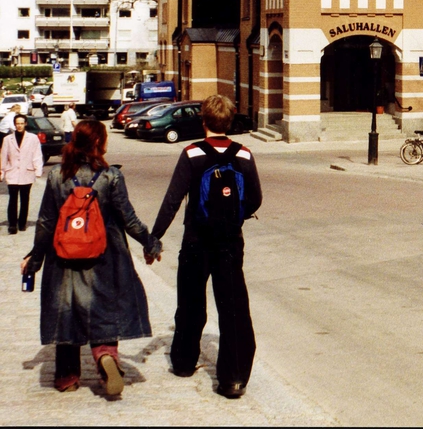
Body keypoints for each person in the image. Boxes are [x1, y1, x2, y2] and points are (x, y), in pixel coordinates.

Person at [20, 120, 160, 395]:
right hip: (106, 256)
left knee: (67, 311)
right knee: (103, 307)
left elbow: (46, 222)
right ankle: (105, 355)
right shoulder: (111, 176)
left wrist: (34, 260)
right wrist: (150, 242)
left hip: (65, 256)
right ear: (98, 143)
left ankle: (67, 376)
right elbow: (128, 219)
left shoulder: (57, 176)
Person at [148, 94, 262, 399]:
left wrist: (154, 237)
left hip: (196, 240)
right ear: (229, 121)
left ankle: (184, 362)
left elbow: (173, 200)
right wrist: (235, 217)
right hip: (229, 243)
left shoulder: (192, 153)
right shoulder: (245, 155)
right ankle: (233, 378)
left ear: (204, 121)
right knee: (234, 307)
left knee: (191, 303)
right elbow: (255, 198)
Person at [3, 114, 44, 234]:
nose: (19, 125)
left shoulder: (33, 138)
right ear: (14, 124)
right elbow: (4, 156)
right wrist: (2, 172)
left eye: (22, 123)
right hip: (12, 173)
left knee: (25, 199)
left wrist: (38, 170)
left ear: (25, 124)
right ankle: (12, 224)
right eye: (17, 123)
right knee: (13, 199)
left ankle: (22, 223)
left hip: (27, 172)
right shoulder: (7, 139)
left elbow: (37, 155)